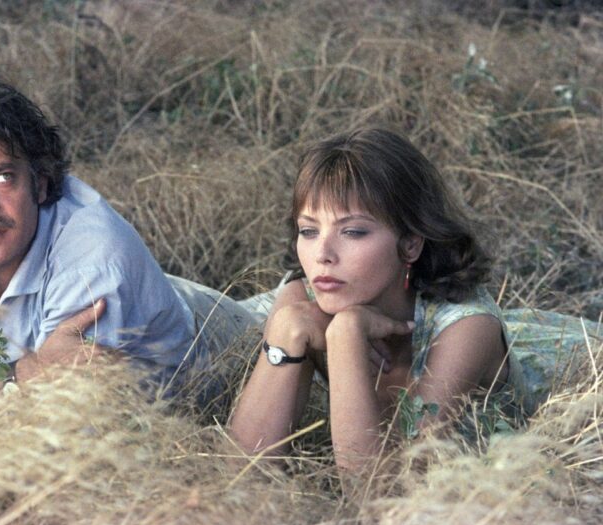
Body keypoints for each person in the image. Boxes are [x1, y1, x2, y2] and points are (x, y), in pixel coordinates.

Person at [0, 48, 260, 404]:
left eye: (3, 178)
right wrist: (30, 371)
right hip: (143, 289)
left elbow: (56, 425)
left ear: (41, 182)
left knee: (274, 318)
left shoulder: (95, 260)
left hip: (211, 335)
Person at [229, 127, 598, 470]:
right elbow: (238, 469)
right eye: (309, 230)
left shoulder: (467, 329)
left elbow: (379, 497)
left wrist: (345, 337)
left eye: (353, 231)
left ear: (410, 244)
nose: (322, 254)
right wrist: (286, 331)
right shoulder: (301, 302)